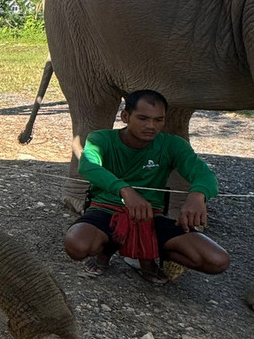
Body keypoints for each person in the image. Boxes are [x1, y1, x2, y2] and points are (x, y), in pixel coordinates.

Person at [64, 89, 229, 284]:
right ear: (126, 116)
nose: (151, 126)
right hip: (106, 209)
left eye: (158, 120)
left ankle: (147, 250)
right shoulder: (101, 139)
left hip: (151, 216)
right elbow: (88, 166)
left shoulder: (172, 145)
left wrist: (197, 196)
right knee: (77, 245)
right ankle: (109, 248)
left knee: (217, 261)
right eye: (143, 118)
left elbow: (204, 173)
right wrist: (126, 191)